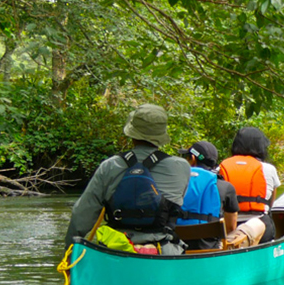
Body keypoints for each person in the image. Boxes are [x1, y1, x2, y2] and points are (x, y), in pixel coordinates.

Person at [64, 103, 190, 254]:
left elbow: (81, 214)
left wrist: (69, 253)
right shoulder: (181, 167)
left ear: (132, 134)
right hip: (163, 252)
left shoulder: (109, 166)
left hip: (115, 250)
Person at [218, 126, 281, 243]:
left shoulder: (220, 168)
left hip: (226, 227)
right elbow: (270, 203)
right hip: (260, 226)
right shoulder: (268, 169)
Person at [177, 140, 239, 250]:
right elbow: (231, 227)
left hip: (177, 248)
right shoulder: (226, 187)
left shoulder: (175, 181)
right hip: (210, 250)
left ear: (193, 159)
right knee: (258, 224)